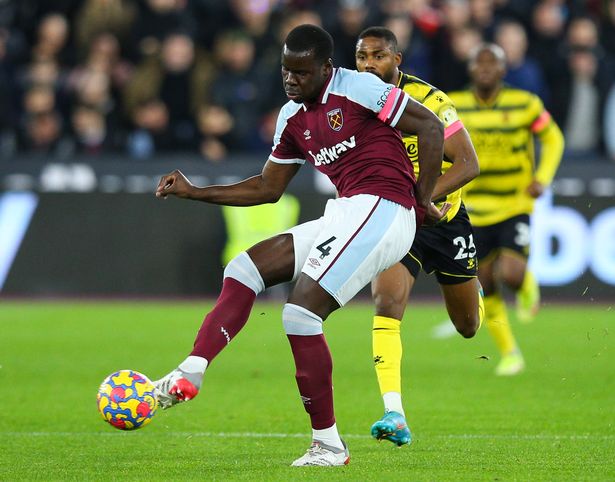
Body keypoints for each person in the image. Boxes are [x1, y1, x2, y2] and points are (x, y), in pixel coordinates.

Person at [153, 24, 446, 467]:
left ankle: (327, 444)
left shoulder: (360, 88)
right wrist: (195, 192)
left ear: (327, 68)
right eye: (286, 70)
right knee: (242, 269)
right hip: (349, 211)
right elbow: (268, 187)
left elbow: (430, 125)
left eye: (302, 72)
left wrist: (422, 199)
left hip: (385, 208)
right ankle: (191, 369)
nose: (291, 79)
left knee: (300, 313)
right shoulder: (292, 118)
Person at [354, 26, 482, 447]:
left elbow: (467, 164)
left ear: (397, 60)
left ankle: (473, 292)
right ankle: (395, 412)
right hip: (399, 220)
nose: (369, 64)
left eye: (378, 56)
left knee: (468, 327)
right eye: (361, 57)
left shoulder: (430, 101)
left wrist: (425, 196)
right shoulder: (355, 102)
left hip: (444, 219)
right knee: (386, 303)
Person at [447, 43, 564, 376]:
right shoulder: (455, 105)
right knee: (485, 282)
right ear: (470, 69)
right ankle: (510, 352)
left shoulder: (525, 103)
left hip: (514, 203)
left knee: (510, 273)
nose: (485, 69)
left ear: (503, 70)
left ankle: (526, 284)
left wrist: (542, 177)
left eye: (492, 64)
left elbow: (554, 138)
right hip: (473, 209)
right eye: (478, 63)